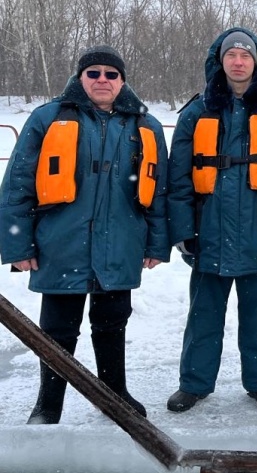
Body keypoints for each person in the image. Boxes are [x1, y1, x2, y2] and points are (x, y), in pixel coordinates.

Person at [0, 45, 170, 423]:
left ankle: (114, 394)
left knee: (112, 323)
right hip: (61, 246)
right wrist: (17, 244)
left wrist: (157, 242)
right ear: (80, 78)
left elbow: (160, 192)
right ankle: (49, 403)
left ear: (123, 81)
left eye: (111, 74)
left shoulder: (146, 126)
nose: (102, 80)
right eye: (93, 73)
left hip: (121, 244)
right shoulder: (48, 119)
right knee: (57, 330)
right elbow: (16, 186)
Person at [166, 28, 257, 412]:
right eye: (232, 55)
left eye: (246, 55)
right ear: (221, 60)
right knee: (203, 316)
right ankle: (194, 384)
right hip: (208, 233)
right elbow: (178, 175)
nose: (238, 61)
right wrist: (182, 228)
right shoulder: (197, 111)